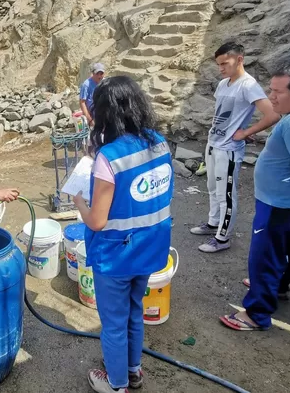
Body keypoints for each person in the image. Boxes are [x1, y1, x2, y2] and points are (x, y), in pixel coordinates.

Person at [73, 76, 173, 393]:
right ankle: (133, 370)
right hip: (149, 248)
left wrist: (78, 199)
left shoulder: (109, 158)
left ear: (104, 114)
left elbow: (97, 221)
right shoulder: (159, 142)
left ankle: (117, 385)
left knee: (113, 324)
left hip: (116, 256)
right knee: (133, 312)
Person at [220, 65, 290, 331]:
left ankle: (256, 314)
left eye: (278, 91)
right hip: (288, 204)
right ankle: (277, 286)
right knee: (281, 250)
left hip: (282, 205)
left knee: (265, 256)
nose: (271, 96)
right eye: (271, 89)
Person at [190, 42, 280, 253]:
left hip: (229, 149)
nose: (221, 68)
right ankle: (213, 224)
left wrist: (246, 132)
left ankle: (223, 237)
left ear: (240, 59)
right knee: (212, 189)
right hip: (213, 144)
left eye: (225, 63)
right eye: (219, 64)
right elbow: (225, 114)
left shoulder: (248, 85)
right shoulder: (223, 84)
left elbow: (273, 114)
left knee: (226, 195)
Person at [79, 62, 106, 127]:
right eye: (97, 74)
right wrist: (90, 120)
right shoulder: (86, 85)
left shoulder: (105, 83)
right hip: (92, 116)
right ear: (93, 73)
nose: (99, 76)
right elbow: (82, 102)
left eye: (101, 73)